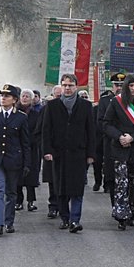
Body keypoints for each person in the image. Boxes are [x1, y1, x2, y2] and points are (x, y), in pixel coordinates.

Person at [41, 72, 98, 232]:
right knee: (61, 188)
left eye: (70, 85)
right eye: (65, 85)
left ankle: (75, 220)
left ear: (76, 87)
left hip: (78, 153)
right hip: (58, 154)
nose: (67, 88)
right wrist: (47, 151)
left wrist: (91, 154)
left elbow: (91, 132)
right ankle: (65, 218)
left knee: (77, 187)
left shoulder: (86, 106)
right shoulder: (51, 106)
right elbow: (46, 130)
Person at [0, 83, 33, 235]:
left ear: (14, 100)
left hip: (13, 160)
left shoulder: (21, 118)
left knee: (11, 192)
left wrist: (27, 163)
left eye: (7, 96)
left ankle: (9, 222)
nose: (3, 98)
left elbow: (25, 143)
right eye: (2, 95)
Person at [104, 76, 134, 229]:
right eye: (131, 86)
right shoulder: (116, 103)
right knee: (122, 184)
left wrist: (133, 138)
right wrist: (119, 136)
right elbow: (106, 124)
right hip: (120, 149)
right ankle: (121, 215)